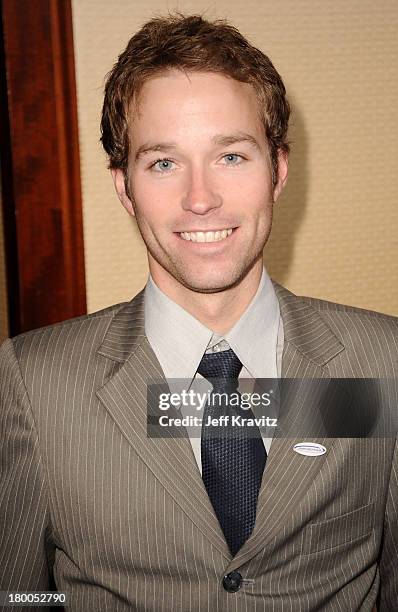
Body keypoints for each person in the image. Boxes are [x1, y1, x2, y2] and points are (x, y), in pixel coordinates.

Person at [0, 12, 397, 612]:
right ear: (123, 186)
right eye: (163, 162)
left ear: (278, 171)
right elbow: (19, 594)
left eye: (231, 156)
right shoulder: (32, 382)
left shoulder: (382, 361)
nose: (200, 198)